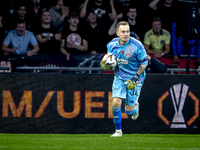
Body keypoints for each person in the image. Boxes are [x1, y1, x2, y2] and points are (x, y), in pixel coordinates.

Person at [100, 21, 148, 137]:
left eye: (127, 31)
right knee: (116, 102)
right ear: (117, 33)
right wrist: (105, 63)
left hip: (135, 78)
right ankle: (118, 131)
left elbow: (144, 63)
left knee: (129, 111)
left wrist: (135, 79)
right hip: (120, 77)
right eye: (123, 32)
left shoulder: (137, 46)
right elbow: (110, 60)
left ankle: (135, 107)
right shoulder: (111, 45)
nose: (126, 34)